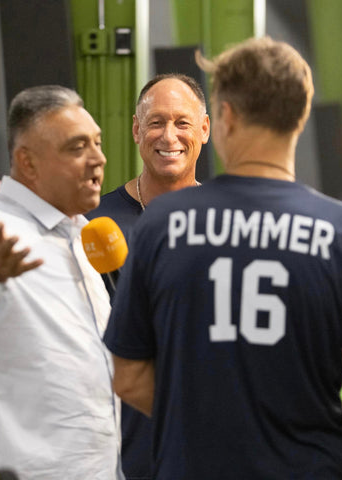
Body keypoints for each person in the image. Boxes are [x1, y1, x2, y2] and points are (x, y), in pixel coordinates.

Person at [103, 36, 342, 479]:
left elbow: (130, 379)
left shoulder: (162, 224)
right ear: (302, 113)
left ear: (224, 118)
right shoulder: (340, 231)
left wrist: (213, 423)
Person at [0, 85, 124, 480]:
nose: (99, 159)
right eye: (77, 147)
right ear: (27, 162)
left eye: (98, 143)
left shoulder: (83, 234)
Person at [86, 73, 210, 479]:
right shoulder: (92, 224)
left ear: (205, 129)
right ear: (137, 130)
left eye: (182, 122)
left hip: (217, 444)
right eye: (156, 122)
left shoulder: (228, 224)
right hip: (121, 451)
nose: (168, 135)